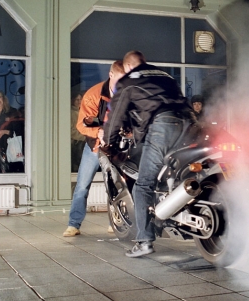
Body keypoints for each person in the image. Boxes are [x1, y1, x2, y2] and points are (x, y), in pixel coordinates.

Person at [104, 51, 193, 257]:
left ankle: (144, 241)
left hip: (162, 125)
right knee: (175, 171)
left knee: (143, 184)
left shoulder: (128, 81)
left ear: (127, 66)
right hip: (188, 123)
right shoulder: (165, 75)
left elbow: (116, 115)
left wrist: (109, 141)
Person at [63, 60, 125, 237]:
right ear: (111, 75)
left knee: (116, 187)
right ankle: (73, 224)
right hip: (95, 147)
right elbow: (81, 125)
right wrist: (98, 132)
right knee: (82, 186)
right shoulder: (93, 95)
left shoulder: (128, 94)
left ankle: (115, 222)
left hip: (117, 147)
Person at [70, 92, 85, 172]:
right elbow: (70, 131)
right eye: (77, 99)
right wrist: (84, 137)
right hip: (75, 143)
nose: (79, 101)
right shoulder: (70, 112)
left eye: (80, 99)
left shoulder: (83, 111)